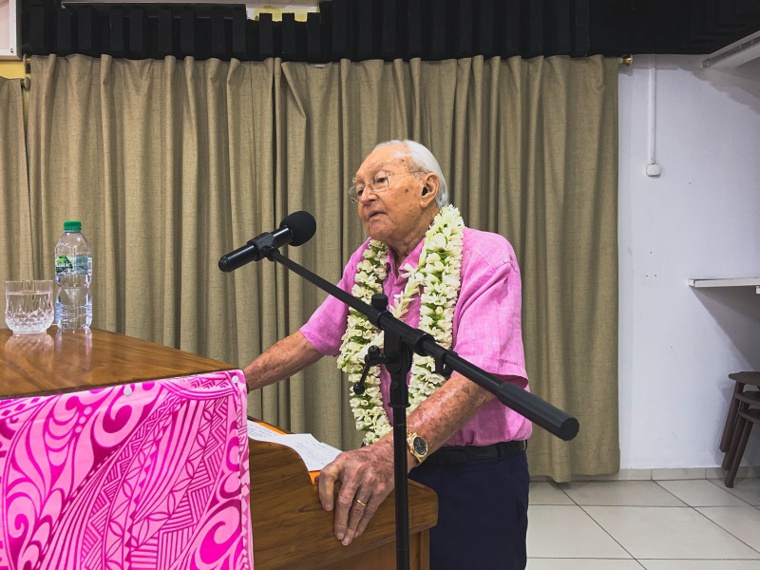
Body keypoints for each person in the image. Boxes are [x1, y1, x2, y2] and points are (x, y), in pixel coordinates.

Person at [243, 139, 532, 569]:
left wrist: (384, 455)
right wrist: (231, 384)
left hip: (472, 475)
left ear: (427, 188)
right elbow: (313, 337)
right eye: (358, 189)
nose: (365, 197)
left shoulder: (485, 255)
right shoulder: (367, 262)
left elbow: (476, 380)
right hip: (397, 463)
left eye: (379, 181)